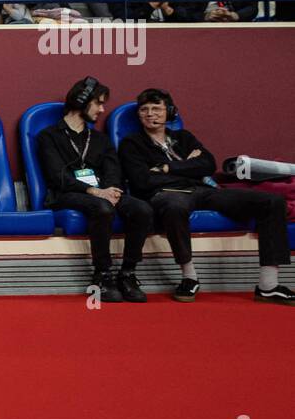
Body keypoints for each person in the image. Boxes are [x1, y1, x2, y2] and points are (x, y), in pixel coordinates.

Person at [118, 88, 294, 305]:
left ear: (169, 112)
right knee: (174, 206)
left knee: (272, 202)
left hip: (204, 191)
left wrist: (165, 168)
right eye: (144, 110)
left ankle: (268, 286)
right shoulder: (132, 143)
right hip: (166, 194)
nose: (150, 114)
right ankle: (189, 276)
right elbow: (142, 181)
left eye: (156, 108)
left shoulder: (184, 137)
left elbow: (209, 164)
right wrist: (189, 167)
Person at [37, 78, 152, 302]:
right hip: (66, 195)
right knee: (102, 208)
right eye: (98, 103)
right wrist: (96, 192)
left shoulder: (100, 139)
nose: (102, 109)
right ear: (81, 101)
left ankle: (127, 273)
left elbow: (113, 171)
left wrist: (112, 190)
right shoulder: (49, 136)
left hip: (104, 194)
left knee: (142, 209)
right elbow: (58, 176)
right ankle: (102, 274)